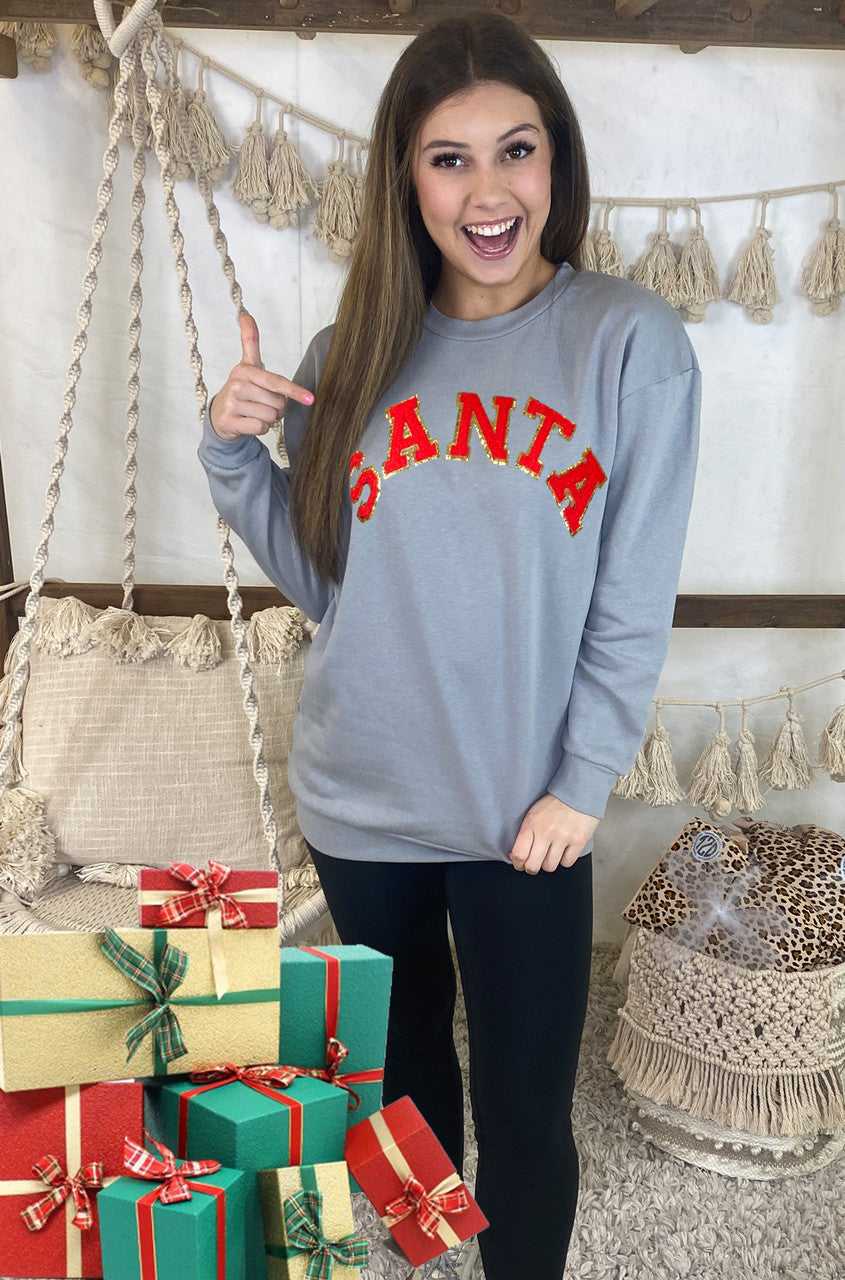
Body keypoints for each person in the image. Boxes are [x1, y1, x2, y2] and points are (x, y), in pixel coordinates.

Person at [199, 14, 699, 1280]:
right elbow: (335, 585)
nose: (487, 192)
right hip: (360, 795)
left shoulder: (627, 342)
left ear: (553, 161)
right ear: (406, 179)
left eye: (514, 150)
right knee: (405, 1076)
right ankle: (427, 1259)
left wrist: (582, 779)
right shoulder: (351, 354)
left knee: (525, 1113)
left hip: (523, 811)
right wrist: (232, 456)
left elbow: (632, 590)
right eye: (448, 158)